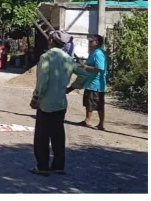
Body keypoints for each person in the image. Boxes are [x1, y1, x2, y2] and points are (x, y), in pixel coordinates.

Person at [31, 30, 88, 176]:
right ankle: (58, 165)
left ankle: (42, 167)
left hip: (46, 103)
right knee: (58, 135)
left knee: (42, 137)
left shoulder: (46, 57)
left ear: (50, 41)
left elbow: (43, 81)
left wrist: (36, 97)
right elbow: (84, 74)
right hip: (61, 102)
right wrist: (71, 88)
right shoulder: (68, 59)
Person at [79, 34, 107, 130]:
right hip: (92, 83)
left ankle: (98, 123)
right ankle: (89, 120)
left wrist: (86, 67)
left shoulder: (98, 53)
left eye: (91, 41)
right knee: (90, 102)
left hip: (96, 83)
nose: (89, 43)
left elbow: (100, 68)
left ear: (97, 43)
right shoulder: (95, 52)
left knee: (94, 103)